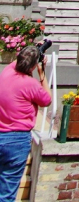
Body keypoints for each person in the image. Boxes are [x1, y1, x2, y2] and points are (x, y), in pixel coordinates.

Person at [0, 45, 51, 201]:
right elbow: (47, 100)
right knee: (7, 192)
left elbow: (18, 61)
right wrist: (42, 74)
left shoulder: (6, 73)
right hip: (16, 141)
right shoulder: (32, 85)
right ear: (34, 65)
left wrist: (33, 49)